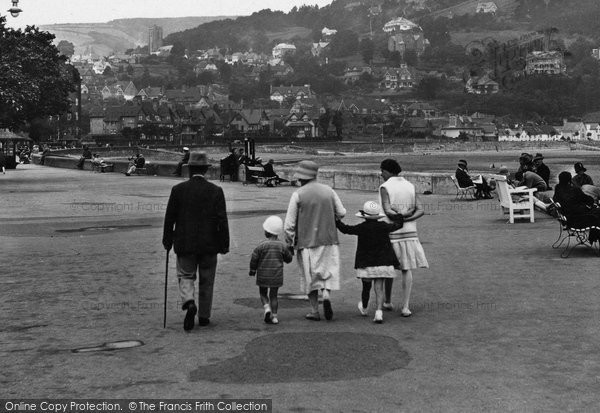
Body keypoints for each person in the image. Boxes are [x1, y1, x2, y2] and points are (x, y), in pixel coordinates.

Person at [163, 152, 229, 331]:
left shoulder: (178, 190)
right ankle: (204, 316)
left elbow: (170, 218)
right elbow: (222, 220)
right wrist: (224, 244)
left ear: (189, 169)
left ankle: (189, 302)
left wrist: (167, 240)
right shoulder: (216, 191)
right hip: (209, 244)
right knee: (207, 280)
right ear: (206, 170)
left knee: (185, 275)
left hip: (185, 243)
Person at [284, 160, 346, 321]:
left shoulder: (298, 194)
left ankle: (314, 310)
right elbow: (342, 212)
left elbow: (289, 224)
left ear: (302, 177)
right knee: (326, 272)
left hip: (306, 241)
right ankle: (325, 293)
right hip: (329, 239)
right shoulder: (329, 191)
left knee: (309, 276)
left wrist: (289, 243)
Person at [335, 201, 404, 324]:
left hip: (366, 263)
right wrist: (398, 213)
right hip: (383, 262)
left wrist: (336, 221)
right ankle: (378, 312)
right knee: (379, 288)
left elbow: (345, 229)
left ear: (364, 216)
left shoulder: (361, 227)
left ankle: (365, 308)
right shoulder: (383, 226)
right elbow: (398, 225)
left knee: (366, 287)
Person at [379, 159, 429, 317]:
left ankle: (387, 301)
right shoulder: (410, 185)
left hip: (392, 231)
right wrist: (407, 218)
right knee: (406, 268)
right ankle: (405, 306)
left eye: (382, 171)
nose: (381, 174)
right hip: (409, 231)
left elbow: (387, 211)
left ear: (387, 171)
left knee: (388, 268)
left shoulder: (385, 187)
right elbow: (421, 210)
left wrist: (400, 218)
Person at [249, 216, 294, 325]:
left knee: (263, 293)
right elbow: (288, 259)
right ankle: (274, 317)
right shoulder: (282, 246)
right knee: (274, 295)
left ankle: (266, 308)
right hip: (276, 275)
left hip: (263, 275)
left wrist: (252, 270)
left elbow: (254, 258)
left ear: (267, 232)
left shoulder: (261, 246)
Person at [553, 171, 600, 243]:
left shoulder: (558, 188)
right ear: (570, 180)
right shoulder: (574, 190)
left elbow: (555, 199)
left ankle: (593, 237)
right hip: (578, 219)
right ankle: (593, 236)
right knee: (597, 213)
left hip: (568, 218)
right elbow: (588, 199)